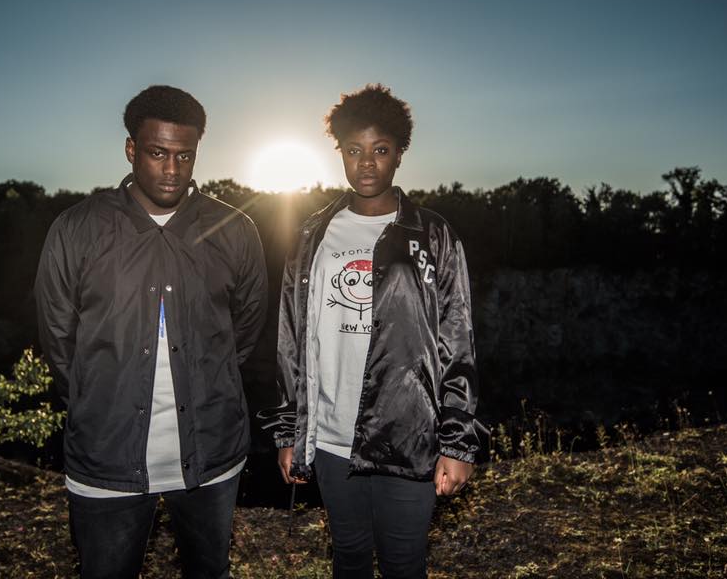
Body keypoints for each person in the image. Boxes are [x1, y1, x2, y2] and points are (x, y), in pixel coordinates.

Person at [35, 85, 267, 579]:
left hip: (212, 454)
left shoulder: (234, 230)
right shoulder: (76, 229)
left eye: (185, 155)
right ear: (130, 149)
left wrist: (209, 381)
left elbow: (245, 329)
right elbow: (58, 337)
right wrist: (96, 402)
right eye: (158, 153)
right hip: (105, 456)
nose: (172, 169)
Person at [260, 84, 485, 579]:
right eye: (354, 150)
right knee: (349, 558)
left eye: (380, 150)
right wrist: (289, 431)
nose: (366, 163)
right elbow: (291, 338)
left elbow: (457, 339)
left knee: (405, 565)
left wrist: (457, 443)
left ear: (400, 154)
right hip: (331, 437)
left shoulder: (432, 234)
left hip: (408, 436)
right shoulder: (312, 234)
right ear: (340, 152)